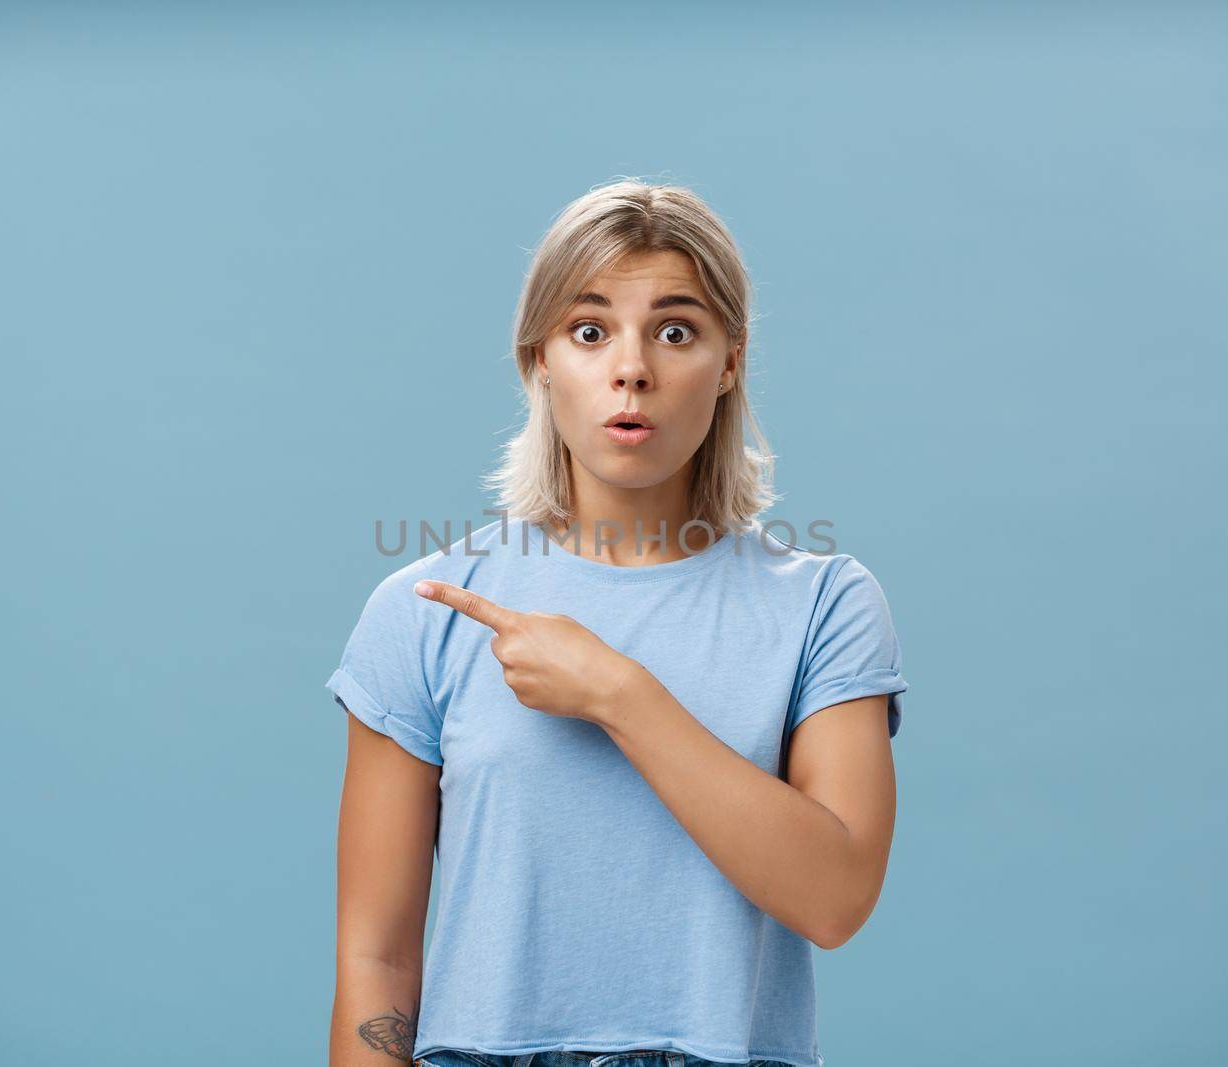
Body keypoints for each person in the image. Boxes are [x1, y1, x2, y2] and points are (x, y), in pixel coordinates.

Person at [325, 180, 908, 1067]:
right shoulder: (427, 610)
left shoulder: (824, 604)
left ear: (731, 361)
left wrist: (617, 692)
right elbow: (376, 956)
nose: (631, 367)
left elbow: (834, 896)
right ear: (540, 360)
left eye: (676, 330)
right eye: (589, 330)